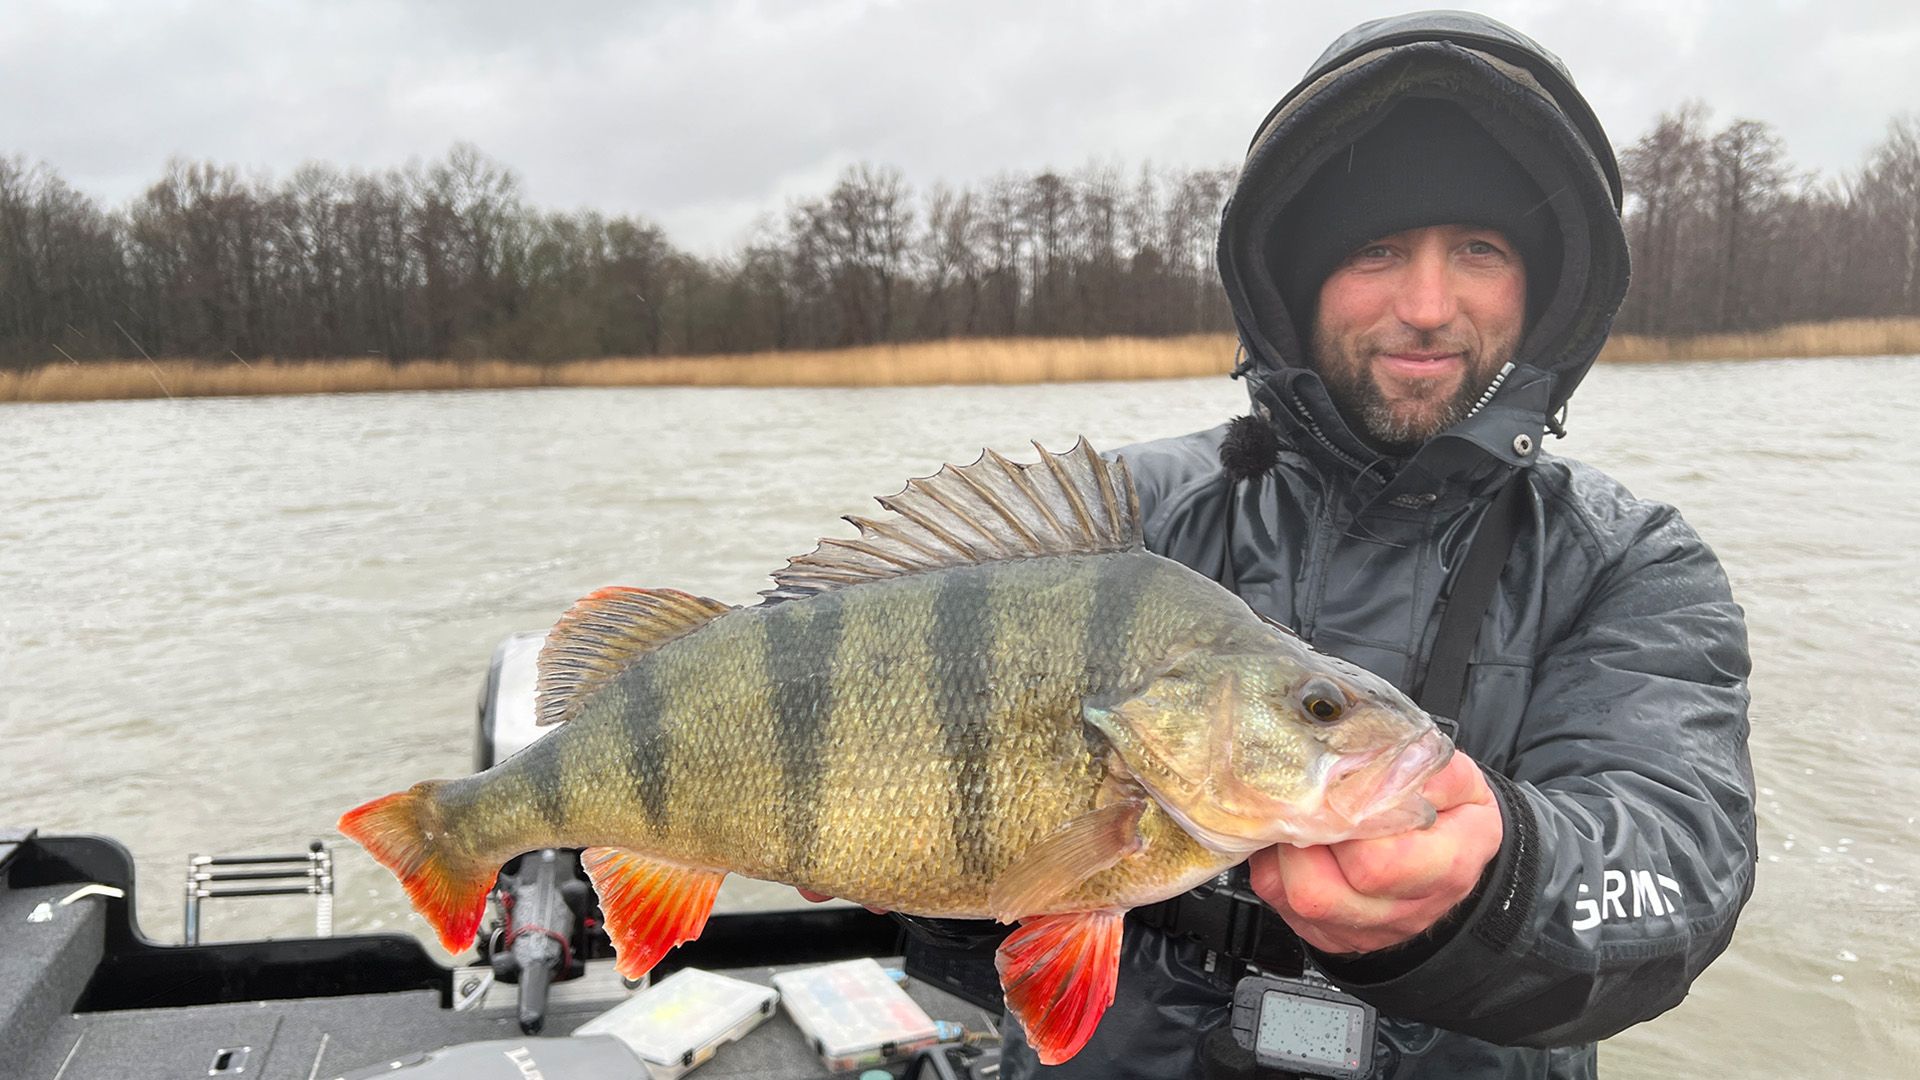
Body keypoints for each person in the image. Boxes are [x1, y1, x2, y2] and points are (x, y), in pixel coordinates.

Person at [981, 11, 1757, 1079]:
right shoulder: (1117, 520)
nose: (1427, 306)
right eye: (1375, 250)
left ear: (1541, 291)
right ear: (1295, 285)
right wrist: (910, 865)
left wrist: (1498, 887)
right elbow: (965, 871)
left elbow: (1682, 869)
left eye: (1479, 249)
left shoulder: (1631, 562)